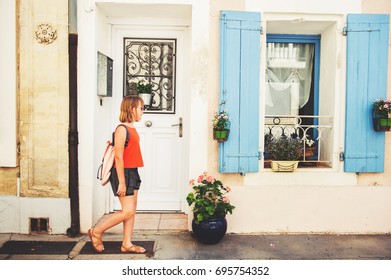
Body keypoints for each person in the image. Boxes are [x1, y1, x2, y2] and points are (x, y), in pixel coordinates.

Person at [88, 95, 146, 253]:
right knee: (126, 210)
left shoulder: (132, 128)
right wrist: (121, 182)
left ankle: (126, 244)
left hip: (132, 170)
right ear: (131, 109)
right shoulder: (122, 129)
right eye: (141, 108)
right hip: (123, 172)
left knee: (131, 211)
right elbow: (119, 158)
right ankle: (97, 231)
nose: (143, 111)